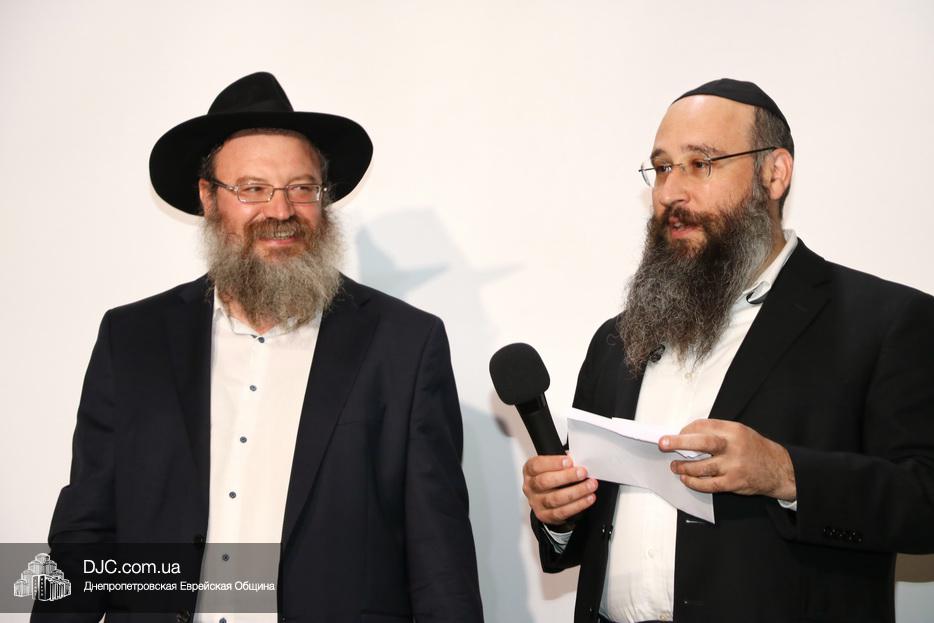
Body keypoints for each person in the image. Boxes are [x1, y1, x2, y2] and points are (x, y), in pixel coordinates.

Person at [40, 72, 483, 623]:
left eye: (302, 188)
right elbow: (84, 535)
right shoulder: (132, 339)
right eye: (252, 189)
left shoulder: (403, 345)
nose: (280, 210)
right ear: (208, 198)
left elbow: (440, 561)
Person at [520, 78, 934, 623]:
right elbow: (584, 536)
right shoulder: (617, 339)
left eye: (701, 163)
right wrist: (558, 513)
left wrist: (786, 473)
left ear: (774, 174)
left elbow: (925, 503)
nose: (670, 192)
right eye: (662, 168)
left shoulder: (882, 322)